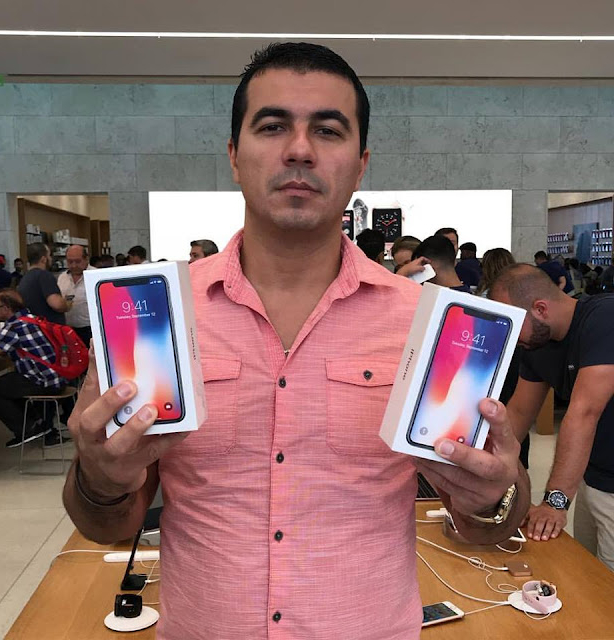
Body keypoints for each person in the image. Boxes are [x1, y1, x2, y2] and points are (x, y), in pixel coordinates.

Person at [63, 42, 528, 640]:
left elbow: (490, 525)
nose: (300, 149)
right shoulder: (157, 317)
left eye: (328, 130)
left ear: (360, 165)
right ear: (234, 156)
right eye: (273, 125)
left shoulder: (431, 325)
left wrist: (495, 496)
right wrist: (100, 477)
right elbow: (105, 525)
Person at [490, 264, 614, 570]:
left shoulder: (605, 319)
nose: (511, 337)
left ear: (540, 309)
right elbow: (519, 412)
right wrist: (483, 469)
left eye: (514, 324)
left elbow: (583, 414)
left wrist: (554, 501)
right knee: (588, 572)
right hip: (593, 476)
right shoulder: (537, 344)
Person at [0, 289, 68, 448]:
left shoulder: (14, 326)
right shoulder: (31, 318)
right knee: (9, 382)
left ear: (6, 308)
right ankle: (39, 424)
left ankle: (28, 429)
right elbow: (2, 348)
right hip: (57, 377)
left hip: (43, 382)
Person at [476, 248, 529, 468]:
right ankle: (520, 464)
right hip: (519, 355)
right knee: (516, 411)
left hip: (492, 360)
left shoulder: (483, 298)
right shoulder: (523, 295)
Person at [18, 243, 71, 325]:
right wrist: (67, 304)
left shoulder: (24, 278)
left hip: (34, 325)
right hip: (49, 327)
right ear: (43, 259)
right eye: (49, 255)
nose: (51, 259)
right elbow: (56, 304)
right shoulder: (44, 276)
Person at [57, 245, 95, 347]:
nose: (74, 265)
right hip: (68, 329)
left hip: (90, 329)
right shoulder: (62, 277)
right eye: (70, 262)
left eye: (78, 261)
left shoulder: (95, 275)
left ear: (86, 259)